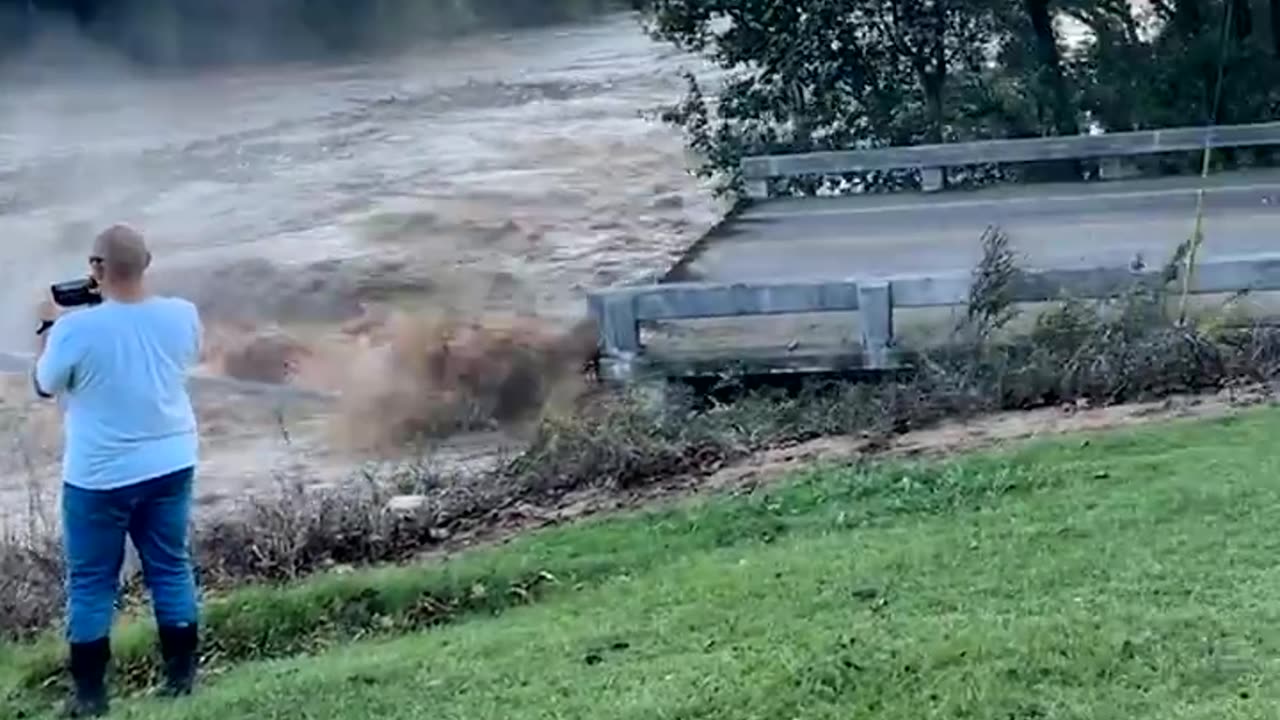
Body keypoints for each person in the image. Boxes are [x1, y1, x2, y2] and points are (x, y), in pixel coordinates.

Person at [33, 225, 204, 718]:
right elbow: (182, 356)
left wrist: (50, 330)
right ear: (147, 262)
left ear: (96, 270)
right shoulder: (182, 315)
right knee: (171, 567)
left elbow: (46, 385)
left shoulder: (74, 329)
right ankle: (181, 681)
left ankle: (90, 697)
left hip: (99, 476)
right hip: (172, 462)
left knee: (92, 583)